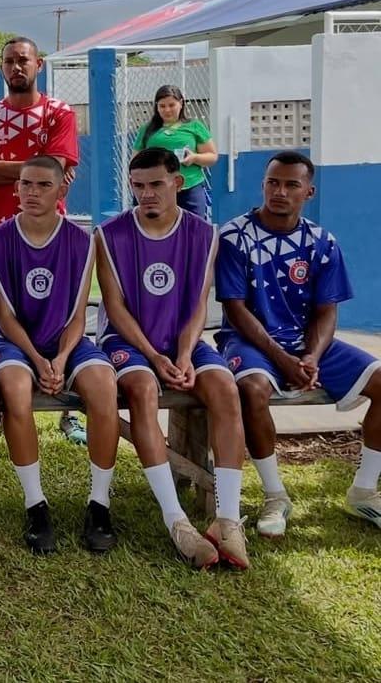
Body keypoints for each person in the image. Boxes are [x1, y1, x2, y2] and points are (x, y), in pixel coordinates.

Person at [95, 147, 248, 570]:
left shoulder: (203, 234)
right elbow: (115, 306)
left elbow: (198, 304)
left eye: (156, 185)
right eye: (138, 186)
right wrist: (153, 355)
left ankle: (228, 520)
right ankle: (176, 520)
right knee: (143, 388)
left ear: (178, 183)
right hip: (127, 340)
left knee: (224, 389)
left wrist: (182, 354)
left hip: (184, 339)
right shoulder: (109, 235)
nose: (146, 194)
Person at [217, 151, 381, 535]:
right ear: (262, 185)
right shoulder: (234, 236)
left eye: (292, 185)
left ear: (309, 191)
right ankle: (276, 496)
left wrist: (310, 356)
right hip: (249, 341)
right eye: (273, 182)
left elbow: (327, 312)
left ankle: (363, 492)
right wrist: (285, 361)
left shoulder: (322, 241)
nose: (280, 191)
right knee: (252, 389)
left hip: (305, 343)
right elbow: (236, 310)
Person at [0, 157, 120, 554]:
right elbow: (5, 317)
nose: (31, 193)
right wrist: (37, 359)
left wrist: (59, 360)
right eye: (26, 184)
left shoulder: (82, 241)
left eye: (43, 185)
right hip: (15, 341)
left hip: (67, 341)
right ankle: (35, 505)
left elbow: (78, 315)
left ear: (62, 192)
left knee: (103, 386)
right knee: (14, 389)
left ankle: (99, 503)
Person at [0, 36, 86, 446]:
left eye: (24, 60)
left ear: (38, 64)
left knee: (61, 319)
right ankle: (0, 405)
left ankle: (71, 409)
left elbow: (54, 165)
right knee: (0, 325)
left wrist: (1, 167)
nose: (16, 67)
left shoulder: (59, 113)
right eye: (9, 62)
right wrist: (43, 169)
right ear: (1, 68)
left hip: (55, 239)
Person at [133, 84, 217, 219]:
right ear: (156, 106)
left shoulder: (194, 126)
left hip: (189, 188)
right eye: (162, 106)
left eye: (171, 105)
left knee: (193, 229)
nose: (167, 110)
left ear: (181, 104)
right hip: (156, 191)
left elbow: (212, 156)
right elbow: (135, 161)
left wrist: (194, 158)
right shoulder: (147, 130)